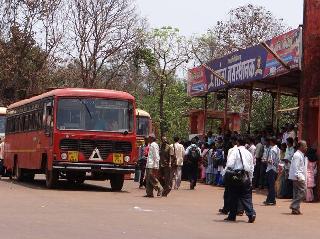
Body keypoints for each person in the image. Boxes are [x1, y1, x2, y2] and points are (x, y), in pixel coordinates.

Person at [224, 136, 256, 223]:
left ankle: (232, 216)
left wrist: (225, 173)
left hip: (235, 176)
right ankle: (251, 214)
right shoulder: (248, 153)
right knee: (246, 196)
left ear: (237, 142)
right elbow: (252, 167)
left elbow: (230, 164)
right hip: (245, 177)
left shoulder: (235, 151)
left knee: (233, 196)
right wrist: (250, 179)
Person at [289, 140, 308, 214]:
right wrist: (297, 176)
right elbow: (295, 166)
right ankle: (294, 205)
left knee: (296, 193)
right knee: (303, 191)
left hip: (298, 176)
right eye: (305, 146)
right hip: (298, 176)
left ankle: (295, 209)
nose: (306, 147)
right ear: (301, 147)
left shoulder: (300, 154)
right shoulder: (297, 155)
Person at [264, 137, 280, 206]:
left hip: (271, 168)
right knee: (271, 185)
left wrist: (265, 160)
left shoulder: (272, 150)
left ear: (272, 142)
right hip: (275, 168)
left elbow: (271, 161)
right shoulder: (277, 149)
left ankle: (272, 200)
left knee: (270, 185)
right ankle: (269, 199)